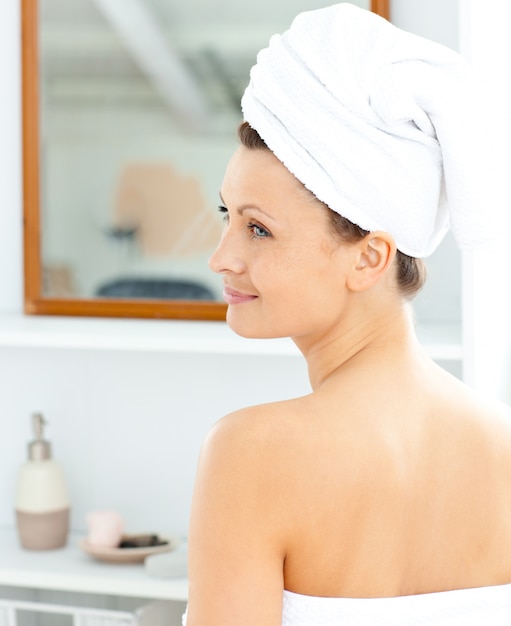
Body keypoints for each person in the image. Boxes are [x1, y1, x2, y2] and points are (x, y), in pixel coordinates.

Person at [184, 4, 511, 625]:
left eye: (258, 229)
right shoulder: (506, 446)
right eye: (228, 215)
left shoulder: (250, 453)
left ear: (368, 259)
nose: (221, 257)